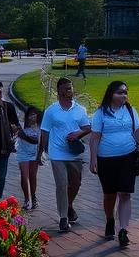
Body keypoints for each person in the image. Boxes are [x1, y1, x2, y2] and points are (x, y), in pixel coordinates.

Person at [90, 80, 139, 248]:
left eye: (125, 92)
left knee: (125, 193)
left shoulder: (130, 110)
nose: (124, 95)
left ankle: (123, 230)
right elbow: (95, 137)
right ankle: (110, 219)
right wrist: (93, 159)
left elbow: (137, 131)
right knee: (110, 194)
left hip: (127, 157)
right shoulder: (101, 113)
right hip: (106, 159)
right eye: (120, 92)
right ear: (111, 93)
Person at [38, 77, 92, 233]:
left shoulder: (79, 109)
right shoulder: (51, 111)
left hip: (74, 153)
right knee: (61, 184)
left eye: (71, 88)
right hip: (57, 153)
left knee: (76, 183)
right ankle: (63, 218)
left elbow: (87, 127)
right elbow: (44, 132)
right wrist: (40, 152)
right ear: (60, 91)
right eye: (67, 88)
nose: (70, 91)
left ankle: (68, 205)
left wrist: (78, 133)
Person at [16, 106, 43, 210]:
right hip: (23, 153)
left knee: (33, 176)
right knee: (24, 175)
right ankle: (27, 199)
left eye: (34, 114)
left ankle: (33, 196)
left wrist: (40, 155)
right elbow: (19, 135)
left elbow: (37, 141)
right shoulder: (22, 126)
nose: (32, 116)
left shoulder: (40, 128)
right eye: (30, 114)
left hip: (34, 154)